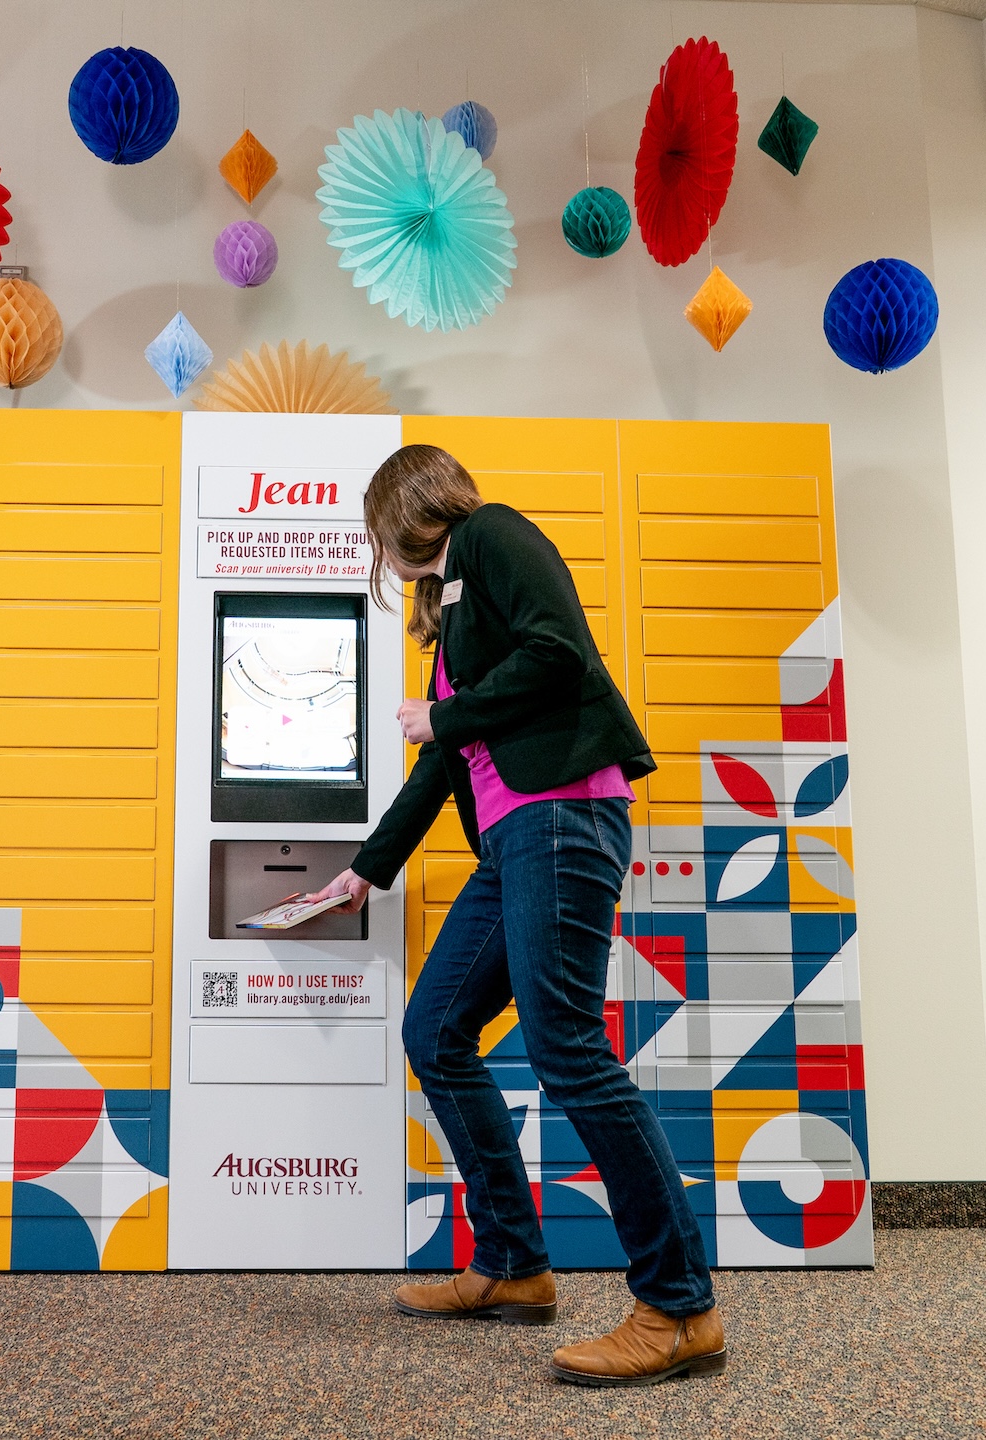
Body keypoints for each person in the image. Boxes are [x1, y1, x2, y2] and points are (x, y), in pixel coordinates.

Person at [307, 443, 724, 1387]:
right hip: (512, 841)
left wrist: (443, 718)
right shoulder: (451, 612)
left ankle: (679, 1306)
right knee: (437, 1030)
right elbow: (445, 764)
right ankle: (512, 1265)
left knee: (568, 1047)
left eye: (381, 534)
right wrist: (366, 871)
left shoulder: (492, 535)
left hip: (565, 814)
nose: (384, 554)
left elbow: (557, 653)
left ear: (404, 513)